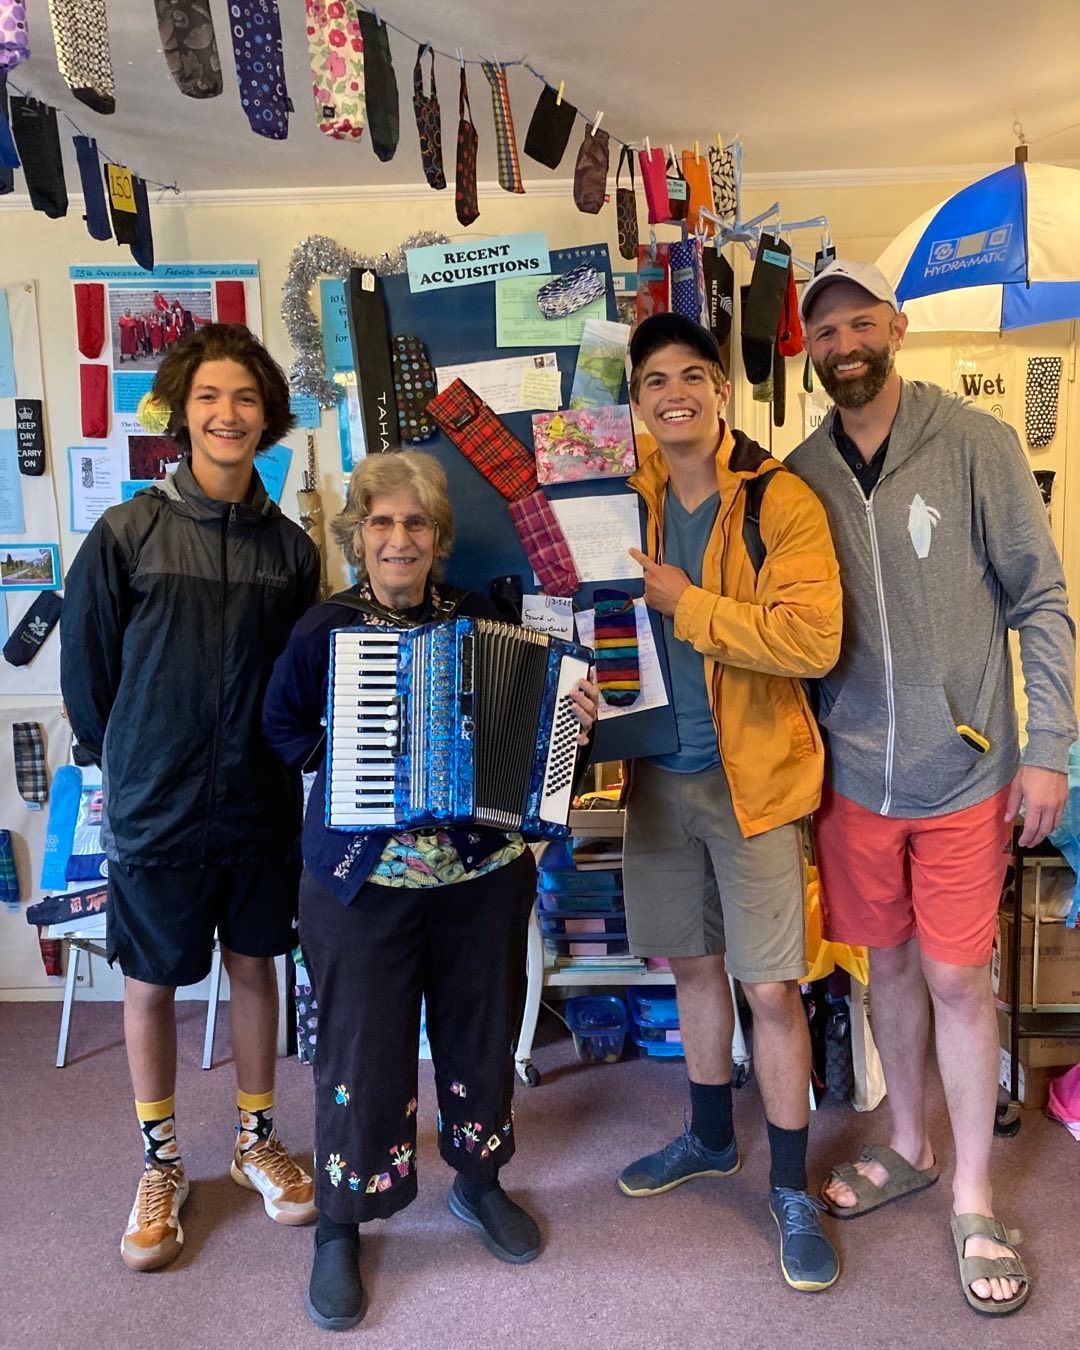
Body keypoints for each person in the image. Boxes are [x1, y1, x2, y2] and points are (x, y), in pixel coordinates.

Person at [787, 259, 1077, 1316]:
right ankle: (908, 1143)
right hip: (854, 777)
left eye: (860, 321)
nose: (844, 342)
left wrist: (1053, 748)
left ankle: (971, 1191)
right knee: (888, 970)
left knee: (962, 980)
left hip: (964, 772)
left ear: (896, 328)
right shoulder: (800, 471)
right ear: (809, 350)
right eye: (824, 331)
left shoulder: (977, 447)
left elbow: (1041, 601)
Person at [263, 450, 598, 1331]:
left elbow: (534, 740)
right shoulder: (321, 633)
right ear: (358, 535)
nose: (399, 539)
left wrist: (572, 719)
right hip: (361, 881)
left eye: (415, 524)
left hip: (481, 880)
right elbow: (281, 728)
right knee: (361, 1052)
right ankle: (339, 1223)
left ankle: (479, 1181)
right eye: (381, 523)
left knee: (479, 1036)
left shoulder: (482, 619)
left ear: (438, 538)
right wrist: (350, 757)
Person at [61, 323, 321, 1273]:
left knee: (257, 970)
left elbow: (302, 682)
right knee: (151, 983)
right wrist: (127, 761)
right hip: (155, 805)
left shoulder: (291, 552)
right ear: (182, 411)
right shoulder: (126, 532)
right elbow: (87, 674)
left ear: (267, 419)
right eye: (209, 397)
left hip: (256, 806)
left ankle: (256, 1139)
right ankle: (161, 1160)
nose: (227, 414)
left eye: (245, 399)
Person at [617, 313, 844, 1292]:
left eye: (693, 375)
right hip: (656, 784)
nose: (676, 391)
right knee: (694, 967)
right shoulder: (625, 498)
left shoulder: (780, 500)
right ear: (636, 400)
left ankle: (790, 1185)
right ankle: (711, 1136)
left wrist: (687, 607)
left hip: (754, 787)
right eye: (656, 378)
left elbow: (812, 642)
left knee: (770, 987)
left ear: (721, 391)